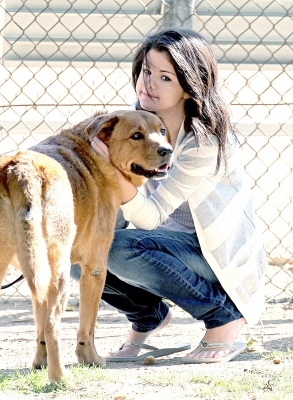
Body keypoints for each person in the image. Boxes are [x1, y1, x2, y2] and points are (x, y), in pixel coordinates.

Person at [75, 26, 267, 363]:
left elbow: (150, 214)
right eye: (147, 71)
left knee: (117, 248)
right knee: (79, 254)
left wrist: (111, 171)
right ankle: (148, 317)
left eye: (166, 77)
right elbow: (113, 213)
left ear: (190, 89)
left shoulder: (203, 140)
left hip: (212, 255)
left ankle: (223, 315)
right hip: (165, 243)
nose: (149, 84)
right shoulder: (135, 123)